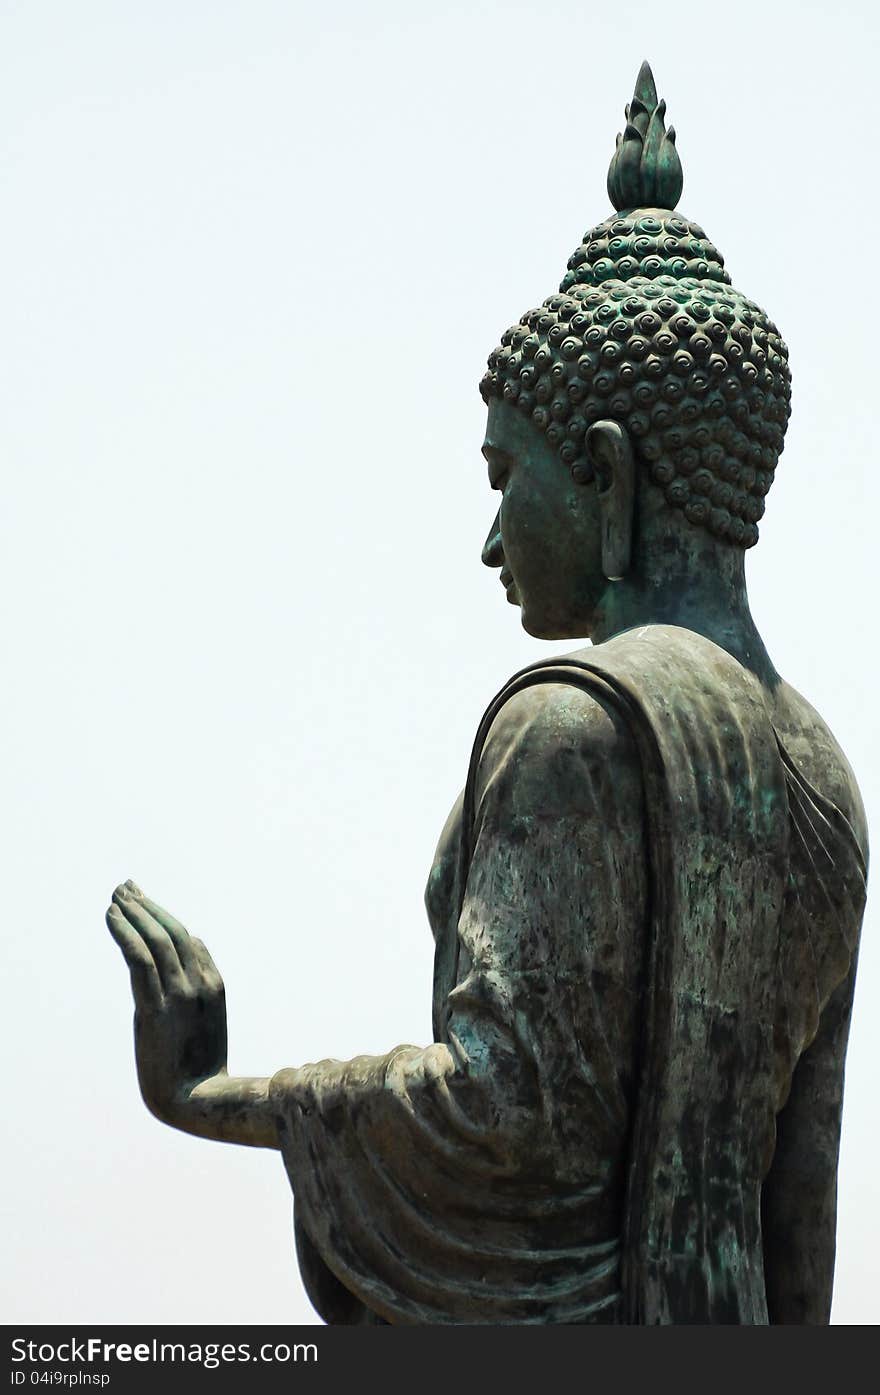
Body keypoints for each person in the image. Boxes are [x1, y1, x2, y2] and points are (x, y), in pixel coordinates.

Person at [107, 63, 867, 1324]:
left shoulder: (568, 725)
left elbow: (497, 1119)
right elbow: (802, 1205)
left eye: (506, 472)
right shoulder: (820, 775)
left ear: (610, 479)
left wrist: (220, 1098)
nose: (491, 536)